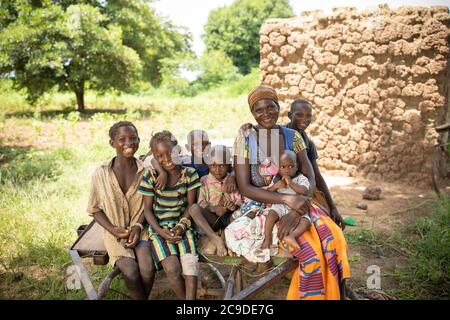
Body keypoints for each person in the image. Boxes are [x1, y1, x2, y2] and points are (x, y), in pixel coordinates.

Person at [233, 85, 351, 300]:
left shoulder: (293, 136)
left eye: (271, 107)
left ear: (279, 107)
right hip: (264, 204)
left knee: (333, 238)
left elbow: (311, 177)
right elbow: (245, 187)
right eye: (259, 110)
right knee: (310, 250)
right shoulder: (245, 139)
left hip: (302, 201)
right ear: (252, 113)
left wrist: (297, 208)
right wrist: (286, 199)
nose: (266, 113)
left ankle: (337, 294)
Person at [87, 121, 156, 300]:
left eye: (133, 138)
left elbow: (150, 205)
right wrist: (112, 228)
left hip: (142, 230)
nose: (129, 143)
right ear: (112, 143)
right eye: (122, 139)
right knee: (131, 272)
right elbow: (95, 209)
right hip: (114, 234)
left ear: (139, 141)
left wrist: (138, 226)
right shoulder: (100, 174)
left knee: (148, 269)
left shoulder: (147, 171)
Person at [138, 130, 201, 300]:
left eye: (170, 153)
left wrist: (181, 226)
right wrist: (159, 230)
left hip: (184, 226)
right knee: (172, 268)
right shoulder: (150, 176)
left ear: (178, 150)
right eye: (160, 156)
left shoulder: (189, 175)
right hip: (159, 230)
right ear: (155, 157)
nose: (166, 158)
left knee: (190, 267)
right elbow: (147, 210)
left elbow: (191, 205)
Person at [286, 99, 345, 228]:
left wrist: (333, 207)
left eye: (308, 116)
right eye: (299, 115)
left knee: (325, 219)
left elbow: (316, 176)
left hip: (304, 189)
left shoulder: (309, 144)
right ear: (290, 116)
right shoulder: (281, 135)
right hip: (282, 188)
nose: (304, 119)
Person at [261, 150, 311, 251]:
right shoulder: (276, 179)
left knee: (306, 222)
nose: (287, 170)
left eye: (291, 166)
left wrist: (291, 183)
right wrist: (275, 186)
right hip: (280, 205)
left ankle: (292, 236)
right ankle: (267, 238)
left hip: (297, 207)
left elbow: (304, 191)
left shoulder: (301, 178)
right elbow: (268, 192)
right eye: (283, 167)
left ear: (297, 167)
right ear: (278, 169)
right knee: (271, 215)